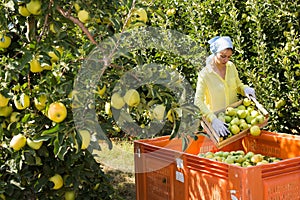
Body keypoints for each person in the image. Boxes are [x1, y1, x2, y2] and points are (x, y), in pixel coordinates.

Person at [194, 36, 256, 137]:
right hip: (217, 122)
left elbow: (238, 85)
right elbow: (198, 100)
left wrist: (245, 89)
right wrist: (212, 119)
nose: (226, 60)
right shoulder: (205, 74)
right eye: (223, 56)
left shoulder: (231, 66)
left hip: (235, 119)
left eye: (229, 57)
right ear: (215, 53)